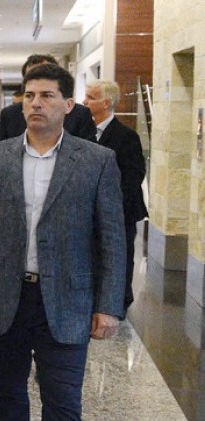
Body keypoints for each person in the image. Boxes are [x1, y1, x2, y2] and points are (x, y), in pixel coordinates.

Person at [0, 63, 126, 420]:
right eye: (29, 96)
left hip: (67, 299)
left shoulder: (96, 161)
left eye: (47, 96)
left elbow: (112, 238)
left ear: (68, 105)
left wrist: (109, 305)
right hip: (5, 297)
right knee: (8, 394)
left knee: (63, 401)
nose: (36, 103)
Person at [84, 80, 148, 315]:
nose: (84, 102)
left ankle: (119, 301)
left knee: (120, 255)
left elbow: (133, 175)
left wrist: (109, 203)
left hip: (121, 211)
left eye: (91, 98)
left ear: (106, 103)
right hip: (87, 210)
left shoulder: (126, 136)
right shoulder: (82, 134)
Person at [0, 54, 96, 143]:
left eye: (47, 95)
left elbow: (90, 153)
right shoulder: (9, 115)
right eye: (32, 75)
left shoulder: (80, 114)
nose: (36, 104)